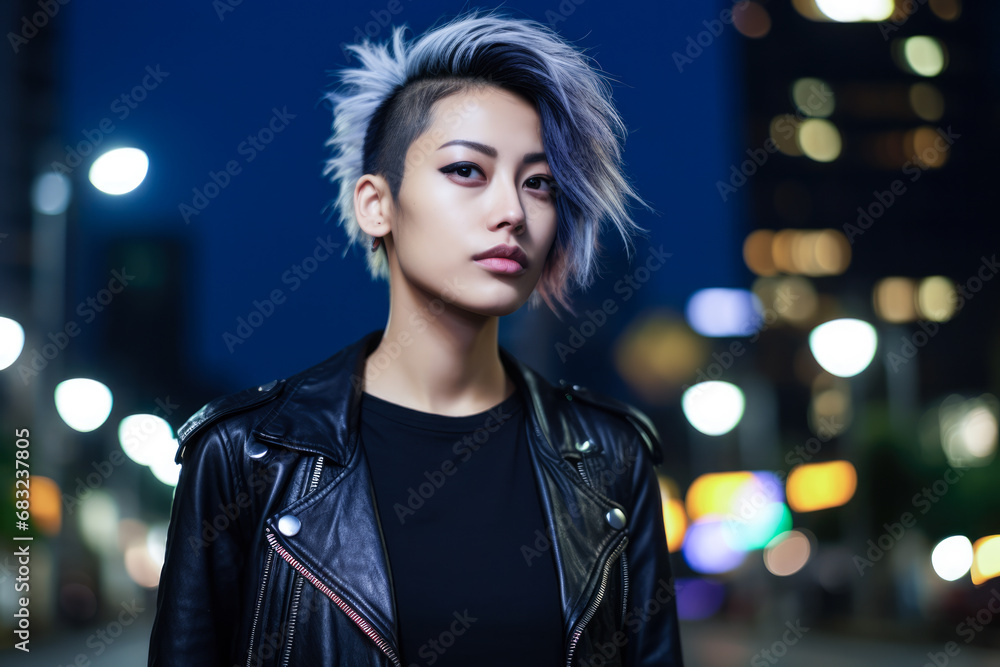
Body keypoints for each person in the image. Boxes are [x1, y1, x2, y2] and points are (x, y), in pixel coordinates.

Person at [149, 8, 684, 666]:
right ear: (376, 203)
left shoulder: (609, 456)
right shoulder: (249, 456)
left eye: (539, 182)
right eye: (467, 170)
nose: (512, 211)